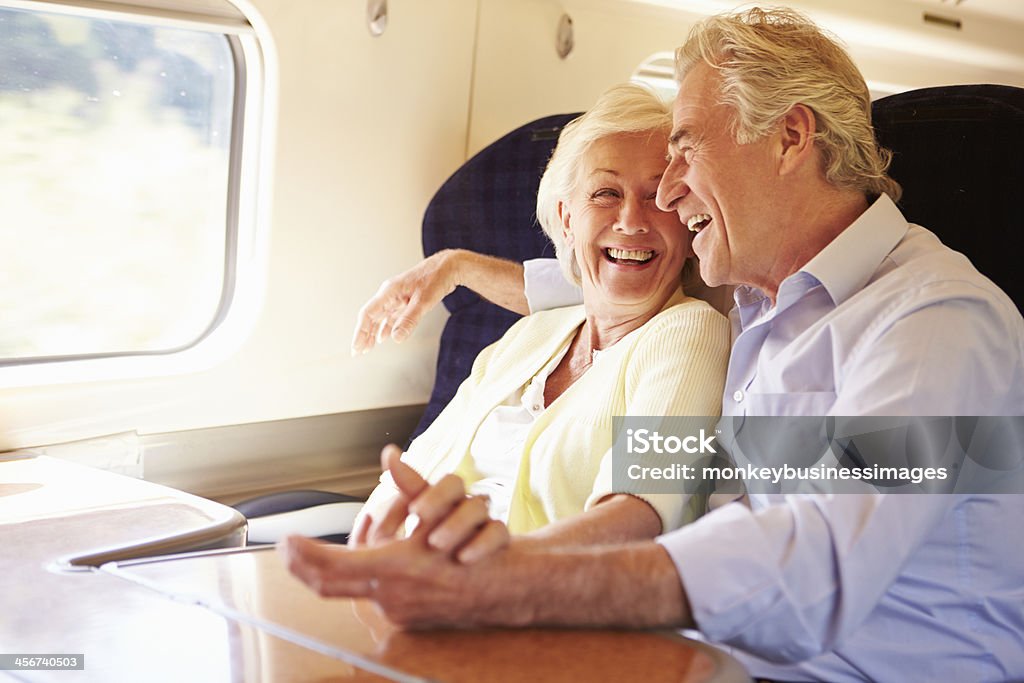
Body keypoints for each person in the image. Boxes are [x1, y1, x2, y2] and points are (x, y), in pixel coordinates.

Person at [284, 7, 1024, 682]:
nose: (666, 196)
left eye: (685, 149)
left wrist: (512, 580)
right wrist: (460, 268)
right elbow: (599, 290)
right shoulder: (755, 308)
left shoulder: (938, 324)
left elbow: (817, 558)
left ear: (791, 137)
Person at [351, 83, 730, 556]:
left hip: (531, 599)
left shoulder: (690, 332)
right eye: (606, 193)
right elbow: (406, 478)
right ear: (567, 218)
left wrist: (486, 574)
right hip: (414, 579)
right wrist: (365, 558)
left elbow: (637, 514)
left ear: (685, 217)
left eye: (656, 197)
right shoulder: (529, 334)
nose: (631, 220)